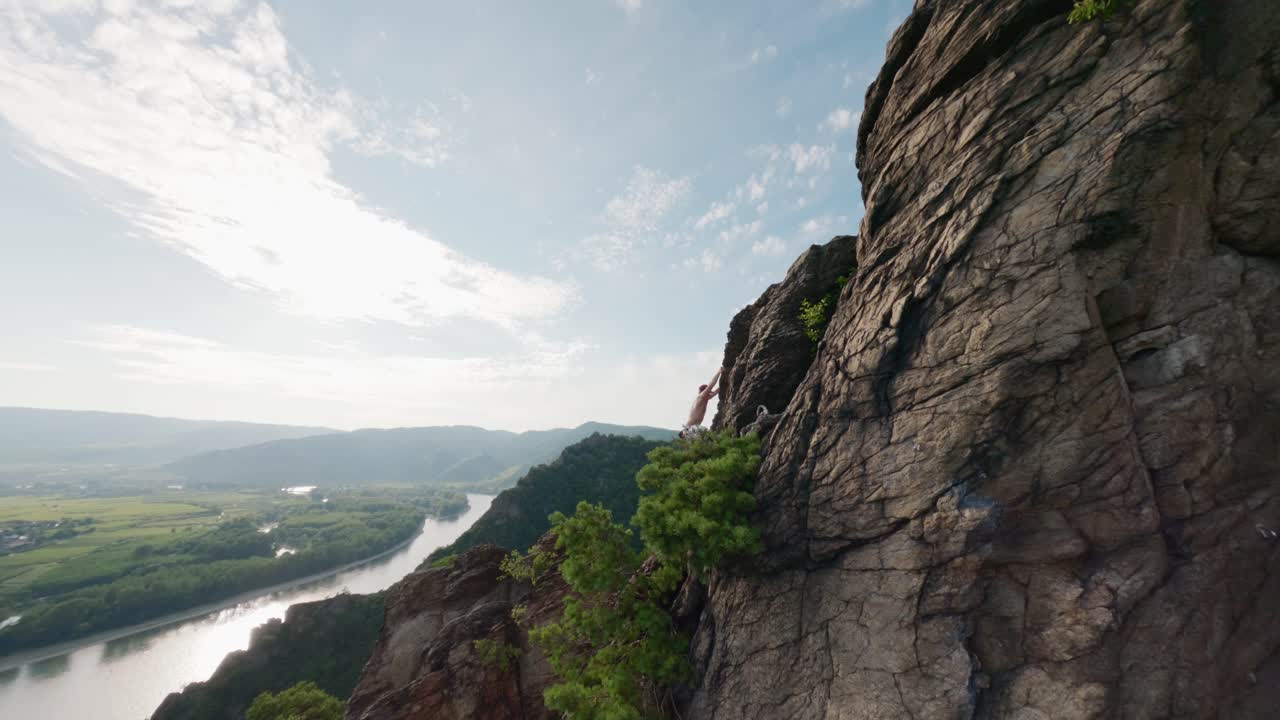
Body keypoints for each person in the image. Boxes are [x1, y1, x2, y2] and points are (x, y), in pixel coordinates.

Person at [680, 367, 722, 439]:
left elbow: (715, 392)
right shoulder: (701, 396)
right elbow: (711, 384)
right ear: (705, 392)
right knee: (706, 435)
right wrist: (719, 372)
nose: (710, 394)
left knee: (706, 439)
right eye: (709, 393)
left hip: (692, 428)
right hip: (690, 429)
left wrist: (726, 382)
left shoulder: (704, 398)